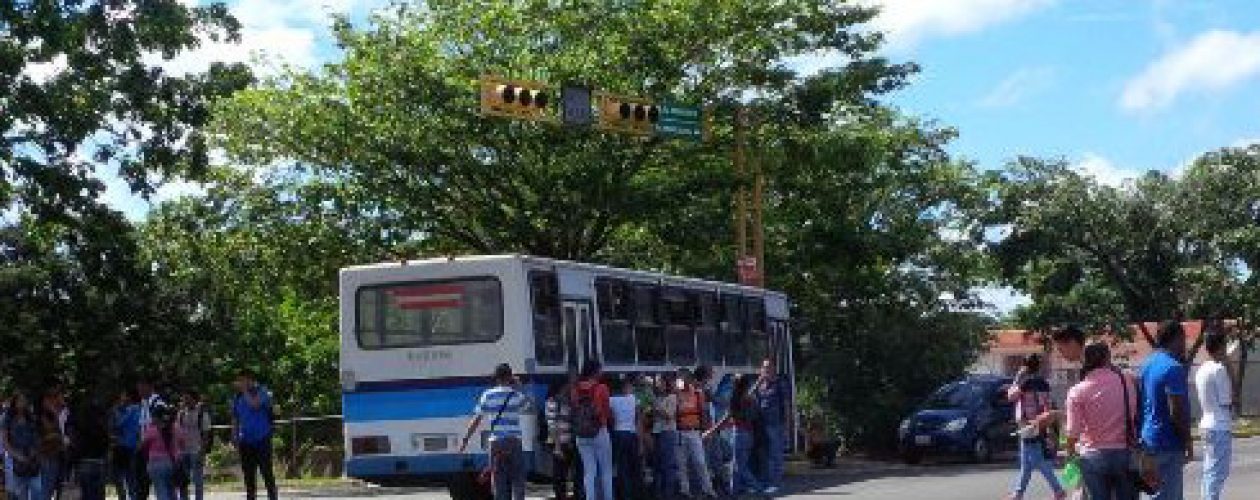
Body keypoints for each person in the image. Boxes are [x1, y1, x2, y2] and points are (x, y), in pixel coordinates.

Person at [1065, 343, 1137, 500]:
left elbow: (1073, 432)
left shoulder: (1077, 390)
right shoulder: (1127, 382)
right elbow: (1135, 414)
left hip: (1092, 456)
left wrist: (1070, 457)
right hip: (1124, 453)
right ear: (1107, 358)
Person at [458, 364, 531, 500]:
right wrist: (520, 387)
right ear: (510, 377)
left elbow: (477, 419)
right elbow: (527, 405)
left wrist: (465, 439)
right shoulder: (516, 395)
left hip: (496, 443)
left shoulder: (488, 395)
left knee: (498, 480)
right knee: (517, 478)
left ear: (496, 378)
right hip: (514, 441)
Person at [1138, 320, 1193, 500]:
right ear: (1177, 338)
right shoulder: (1173, 368)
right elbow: (1176, 411)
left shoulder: (1146, 365)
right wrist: (1187, 440)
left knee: (1154, 494)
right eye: (1184, 339)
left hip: (1148, 440)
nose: (1185, 345)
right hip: (1168, 442)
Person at [1005, 354, 1066, 500]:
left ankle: (1058, 490)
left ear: (1025, 366)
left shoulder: (1024, 382)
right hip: (1041, 422)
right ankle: (1018, 493)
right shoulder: (1043, 383)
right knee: (1026, 462)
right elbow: (1048, 403)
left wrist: (1017, 379)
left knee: (1039, 460)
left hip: (1029, 424)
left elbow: (1011, 397)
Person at [704, 374, 761, 496]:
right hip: (749, 434)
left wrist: (711, 431)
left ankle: (759, 489)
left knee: (739, 467)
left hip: (739, 434)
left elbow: (725, 418)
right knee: (738, 464)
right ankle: (734, 491)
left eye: (732, 382)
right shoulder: (751, 398)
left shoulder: (736, 398)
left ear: (736, 385)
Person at [1195, 330, 1233, 500]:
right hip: (1219, 424)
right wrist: (1230, 368)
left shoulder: (1202, 368)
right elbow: (1228, 400)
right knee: (1218, 473)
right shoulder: (1219, 369)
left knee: (1209, 470)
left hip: (1206, 422)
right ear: (1220, 347)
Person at [231, 370, 277, 500]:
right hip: (246, 440)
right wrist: (234, 435)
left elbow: (255, 405)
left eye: (242, 380)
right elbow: (235, 417)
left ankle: (272, 496)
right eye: (239, 381)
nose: (239, 383)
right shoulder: (237, 397)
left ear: (250, 380)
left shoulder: (262, 391)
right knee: (248, 475)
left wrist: (245, 390)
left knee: (266, 472)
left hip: (262, 439)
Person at [572, 362, 613, 500]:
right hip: (599, 431)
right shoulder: (602, 388)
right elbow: (607, 411)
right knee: (606, 471)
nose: (602, 372)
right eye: (600, 370)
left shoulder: (575, 389)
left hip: (581, 434)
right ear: (595, 372)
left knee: (589, 471)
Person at [676, 369, 717, 499]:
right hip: (680, 433)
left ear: (689, 379)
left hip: (695, 432)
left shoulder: (698, 394)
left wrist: (706, 431)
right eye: (679, 379)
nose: (680, 381)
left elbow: (704, 413)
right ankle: (684, 491)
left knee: (700, 462)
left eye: (683, 378)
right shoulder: (676, 394)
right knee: (681, 464)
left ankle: (708, 490)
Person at [545, 376, 583, 500]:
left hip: (568, 442)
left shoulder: (566, 401)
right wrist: (557, 447)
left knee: (570, 472)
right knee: (560, 474)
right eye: (567, 385)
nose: (569, 387)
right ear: (561, 386)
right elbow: (553, 424)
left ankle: (571, 495)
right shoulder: (552, 401)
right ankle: (561, 496)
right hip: (559, 443)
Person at [754, 358, 788, 494]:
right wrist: (758, 382)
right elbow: (751, 397)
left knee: (775, 454)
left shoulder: (779, 383)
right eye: (763, 367)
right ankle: (766, 481)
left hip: (776, 424)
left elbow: (785, 405)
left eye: (768, 367)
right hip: (762, 424)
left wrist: (786, 424)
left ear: (774, 368)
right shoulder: (761, 385)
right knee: (764, 454)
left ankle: (776, 483)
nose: (765, 369)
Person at [139, 403, 186, 500]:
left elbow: (143, 446)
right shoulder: (175, 428)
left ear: (155, 417)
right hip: (172, 463)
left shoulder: (152, 430)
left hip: (156, 464)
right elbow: (182, 443)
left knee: (161, 491)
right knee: (172, 491)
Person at [609, 376, 644, 500]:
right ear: (626, 387)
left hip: (618, 435)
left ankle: (624, 495)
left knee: (622, 468)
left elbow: (611, 419)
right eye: (631, 387)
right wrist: (640, 443)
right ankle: (637, 494)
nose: (632, 389)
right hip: (632, 435)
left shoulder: (611, 400)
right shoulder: (634, 399)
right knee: (634, 468)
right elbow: (639, 421)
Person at [70, 397, 111, 500]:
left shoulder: (81, 427)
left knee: (86, 494)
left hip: (85, 463)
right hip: (99, 463)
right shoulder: (102, 429)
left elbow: (78, 448)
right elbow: (106, 446)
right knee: (98, 495)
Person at [4, 393, 43, 500]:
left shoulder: (31, 417)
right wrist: (16, 456)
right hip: (17, 460)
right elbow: (5, 442)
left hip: (33, 459)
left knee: (37, 492)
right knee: (20, 493)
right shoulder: (8, 418)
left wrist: (35, 451)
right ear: (14, 402)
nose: (23, 403)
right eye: (20, 400)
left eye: (24, 400)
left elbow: (38, 437)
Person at [176, 391, 212, 500]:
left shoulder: (202, 414)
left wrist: (202, 451)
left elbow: (206, 434)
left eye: (188, 399)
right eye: (184, 399)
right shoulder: (181, 414)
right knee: (183, 480)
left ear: (194, 400)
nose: (186, 401)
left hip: (197, 450)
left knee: (198, 480)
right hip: (184, 451)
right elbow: (178, 432)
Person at [650, 374, 679, 500]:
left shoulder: (672, 397)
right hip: (656, 431)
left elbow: (669, 415)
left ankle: (668, 493)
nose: (659, 385)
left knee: (668, 463)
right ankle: (657, 492)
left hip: (667, 432)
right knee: (657, 463)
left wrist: (657, 407)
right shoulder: (658, 398)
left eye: (661, 383)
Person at [134, 379, 164, 500]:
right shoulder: (143, 403)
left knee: (158, 484)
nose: (139, 391)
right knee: (141, 484)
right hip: (143, 448)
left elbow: (160, 427)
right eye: (138, 388)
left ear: (149, 386)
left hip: (154, 450)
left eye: (141, 387)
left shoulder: (158, 404)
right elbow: (142, 427)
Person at [36, 388, 67, 500]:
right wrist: (57, 437)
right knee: (46, 489)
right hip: (47, 456)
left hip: (57, 454)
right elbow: (38, 438)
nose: (54, 402)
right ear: (44, 401)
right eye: (51, 399)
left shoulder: (55, 415)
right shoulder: (40, 416)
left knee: (53, 488)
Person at [110, 390, 141, 500]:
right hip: (127, 447)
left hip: (125, 447)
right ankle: (130, 496)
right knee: (129, 477)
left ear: (128, 397)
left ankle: (125, 497)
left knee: (124, 476)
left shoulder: (132, 410)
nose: (122, 399)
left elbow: (118, 425)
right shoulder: (137, 409)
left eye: (123, 396)